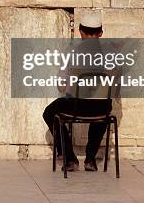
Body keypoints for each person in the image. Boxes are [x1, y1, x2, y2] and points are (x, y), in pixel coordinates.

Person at [42, 10, 114, 172]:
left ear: (80, 31)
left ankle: (69, 158)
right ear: (101, 33)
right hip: (100, 108)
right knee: (103, 108)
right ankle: (90, 159)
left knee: (49, 112)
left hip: (76, 107)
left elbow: (61, 85)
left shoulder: (70, 52)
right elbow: (115, 87)